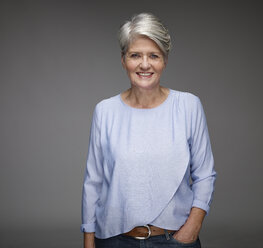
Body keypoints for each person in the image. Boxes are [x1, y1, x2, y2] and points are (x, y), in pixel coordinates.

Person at [81, 13, 217, 248]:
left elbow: (205, 174)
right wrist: (89, 241)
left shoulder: (188, 106)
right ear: (123, 60)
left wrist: (192, 228)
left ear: (164, 60)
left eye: (153, 55)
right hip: (114, 241)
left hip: (173, 240)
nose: (144, 64)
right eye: (135, 55)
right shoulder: (105, 111)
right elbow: (93, 182)